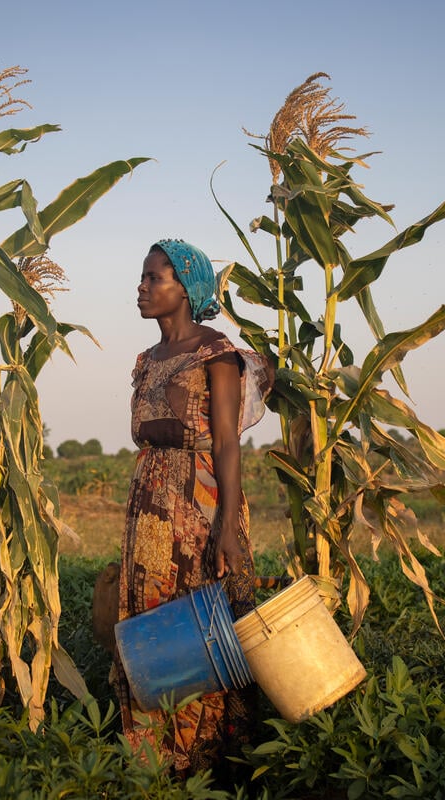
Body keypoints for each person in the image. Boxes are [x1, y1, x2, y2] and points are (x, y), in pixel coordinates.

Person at [114, 238, 272, 779]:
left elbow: (227, 443)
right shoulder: (146, 360)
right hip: (150, 504)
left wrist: (227, 528)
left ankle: (212, 760)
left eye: (154, 278)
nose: (142, 287)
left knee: (206, 623)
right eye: (142, 277)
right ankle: (158, 759)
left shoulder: (217, 353)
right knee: (153, 622)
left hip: (201, 504)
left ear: (185, 288)